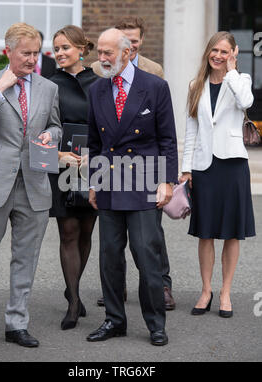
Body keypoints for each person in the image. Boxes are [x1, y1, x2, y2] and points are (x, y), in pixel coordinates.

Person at [0, 23, 61, 347]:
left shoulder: (48, 88)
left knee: (26, 257)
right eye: (26, 53)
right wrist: (2, 85)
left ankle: (16, 323)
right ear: (9, 52)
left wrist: (51, 135)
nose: (33, 59)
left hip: (33, 183)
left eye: (37, 53)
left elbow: (56, 126)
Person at [86, 28, 178, 346]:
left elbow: (167, 139)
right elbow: (95, 141)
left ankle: (155, 324)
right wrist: (94, 184)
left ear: (126, 52)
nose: (101, 58)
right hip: (109, 182)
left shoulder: (155, 87)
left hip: (144, 182)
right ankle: (114, 320)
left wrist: (167, 182)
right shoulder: (97, 89)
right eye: (99, 52)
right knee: (110, 257)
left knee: (146, 256)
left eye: (107, 52)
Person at [179, 31, 255, 318]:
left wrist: (232, 71)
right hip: (204, 166)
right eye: (214, 50)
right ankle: (206, 289)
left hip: (233, 164)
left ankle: (225, 291)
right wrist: (187, 168)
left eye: (224, 51)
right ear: (207, 52)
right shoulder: (195, 85)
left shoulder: (241, 80)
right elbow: (192, 128)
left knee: (232, 233)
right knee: (206, 232)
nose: (218, 56)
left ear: (233, 53)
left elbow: (246, 102)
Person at [48, 25, 98, 330]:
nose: (60, 53)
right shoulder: (50, 84)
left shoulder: (100, 81)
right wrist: (56, 156)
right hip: (63, 161)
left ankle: (73, 286)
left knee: (87, 231)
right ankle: (74, 302)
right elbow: (41, 128)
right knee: (68, 230)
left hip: (94, 162)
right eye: (56, 49)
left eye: (65, 47)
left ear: (81, 48)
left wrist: (101, 154)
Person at [92, 16, 164, 78]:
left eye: (134, 41)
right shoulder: (96, 69)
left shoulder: (155, 70)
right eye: (125, 41)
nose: (129, 46)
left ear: (141, 39)